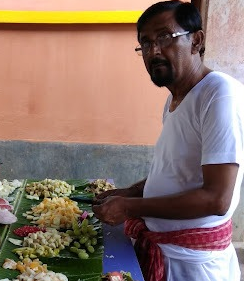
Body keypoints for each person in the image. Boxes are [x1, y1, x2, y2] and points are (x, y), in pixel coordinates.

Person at [92, 1, 244, 281]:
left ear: (196, 40)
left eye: (165, 37)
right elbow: (175, 173)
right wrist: (129, 191)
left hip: (194, 267)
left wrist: (130, 207)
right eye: (146, 43)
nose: (154, 51)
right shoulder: (175, 99)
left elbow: (216, 199)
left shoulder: (219, 94)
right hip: (166, 253)